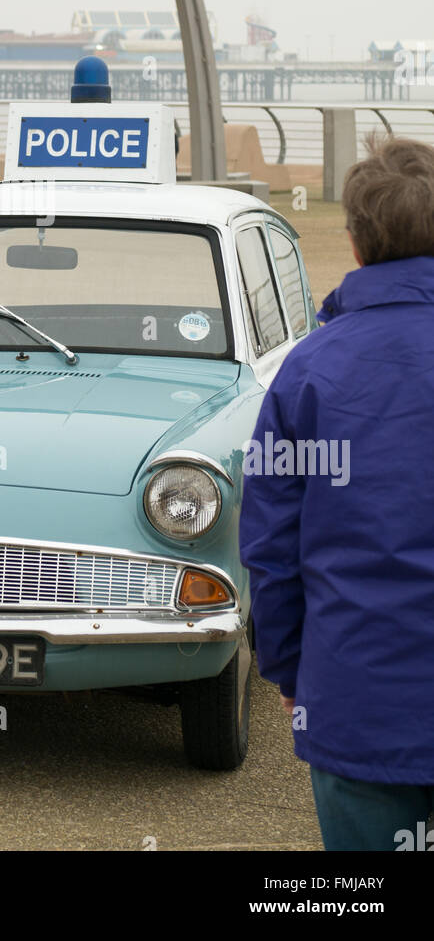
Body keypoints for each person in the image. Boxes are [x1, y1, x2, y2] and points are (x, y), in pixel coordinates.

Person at [239, 136, 434, 851]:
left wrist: (290, 669)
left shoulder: (308, 371)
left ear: (354, 243)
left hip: (357, 695)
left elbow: (270, 546)